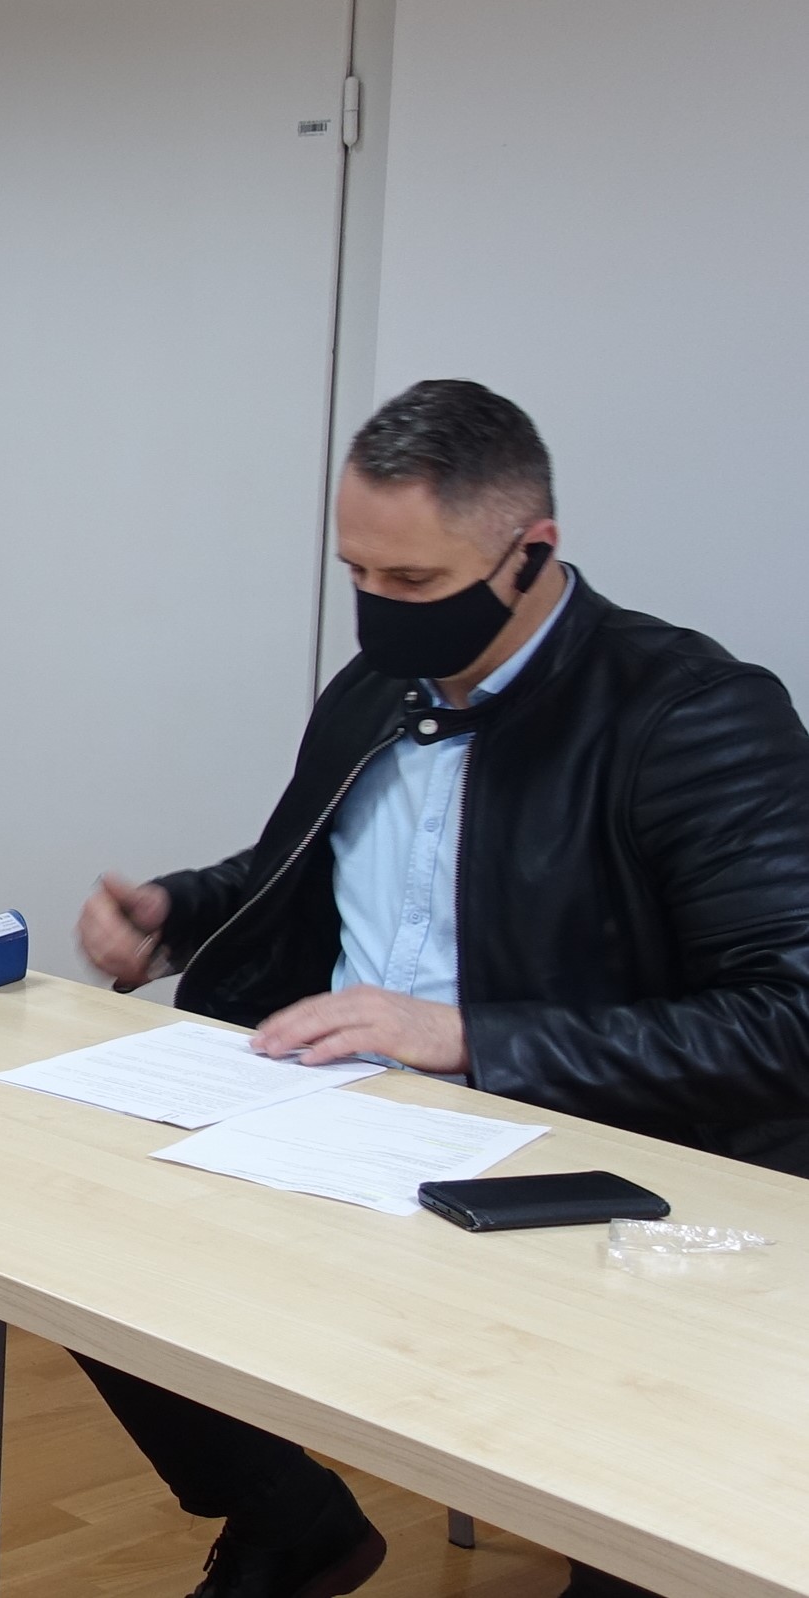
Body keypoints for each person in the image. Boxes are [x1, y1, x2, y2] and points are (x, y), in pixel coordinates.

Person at [73, 380, 809, 1598]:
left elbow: (787, 1017)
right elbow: (312, 860)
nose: (378, 609)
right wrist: (177, 915)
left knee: (648, 1546)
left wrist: (466, 1035)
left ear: (530, 553)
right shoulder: (380, 689)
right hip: (353, 1114)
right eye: (356, 573)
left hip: (590, 1161)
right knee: (74, 1237)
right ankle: (289, 1520)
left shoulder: (689, 714)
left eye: (412, 581)